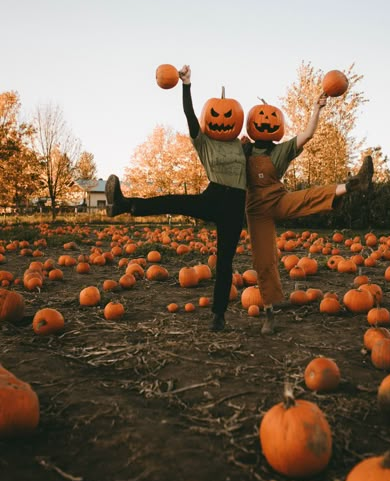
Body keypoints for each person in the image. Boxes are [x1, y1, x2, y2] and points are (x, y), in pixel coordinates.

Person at [105, 65, 247, 332]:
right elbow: (190, 115)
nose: (221, 118)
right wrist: (186, 85)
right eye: (215, 114)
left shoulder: (241, 145)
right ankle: (125, 205)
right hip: (214, 196)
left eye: (228, 115)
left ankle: (218, 315)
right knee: (174, 200)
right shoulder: (204, 141)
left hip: (236, 205)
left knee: (225, 261)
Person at [244, 92, 374, 335]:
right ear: (252, 123)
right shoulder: (244, 150)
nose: (267, 120)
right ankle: (269, 313)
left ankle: (353, 185)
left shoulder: (280, 150)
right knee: (264, 261)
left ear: (278, 126)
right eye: (261, 117)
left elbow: (308, 134)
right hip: (256, 212)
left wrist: (316, 109)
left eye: (272, 118)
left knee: (307, 197)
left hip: (278, 199)